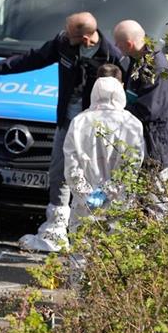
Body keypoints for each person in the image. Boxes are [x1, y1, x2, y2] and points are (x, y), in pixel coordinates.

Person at [0, 12, 126, 252]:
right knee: (60, 173)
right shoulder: (63, 44)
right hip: (67, 123)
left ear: (86, 38)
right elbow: (32, 59)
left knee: (94, 178)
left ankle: (93, 237)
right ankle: (55, 230)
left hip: (96, 132)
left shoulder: (112, 58)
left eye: (70, 32)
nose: (65, 35)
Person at [112, 19, 168, 219]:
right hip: (149, 139)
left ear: (129, 44)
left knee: (156, 197)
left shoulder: (156, 66)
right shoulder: (138, 60)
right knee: (146, 195)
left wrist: (119, 113)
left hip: (159, 143)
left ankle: (159, 240)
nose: (116, 47)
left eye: (118, 43)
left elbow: (149, 108)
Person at [63, 74, 145, 233]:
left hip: (83, 207)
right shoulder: (132, 124)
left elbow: (72, 166)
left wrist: (85, 195)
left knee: (81, 251)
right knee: (115, 252)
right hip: (119, 203)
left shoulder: (80, 122)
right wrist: (109, 192)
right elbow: (131, 166)